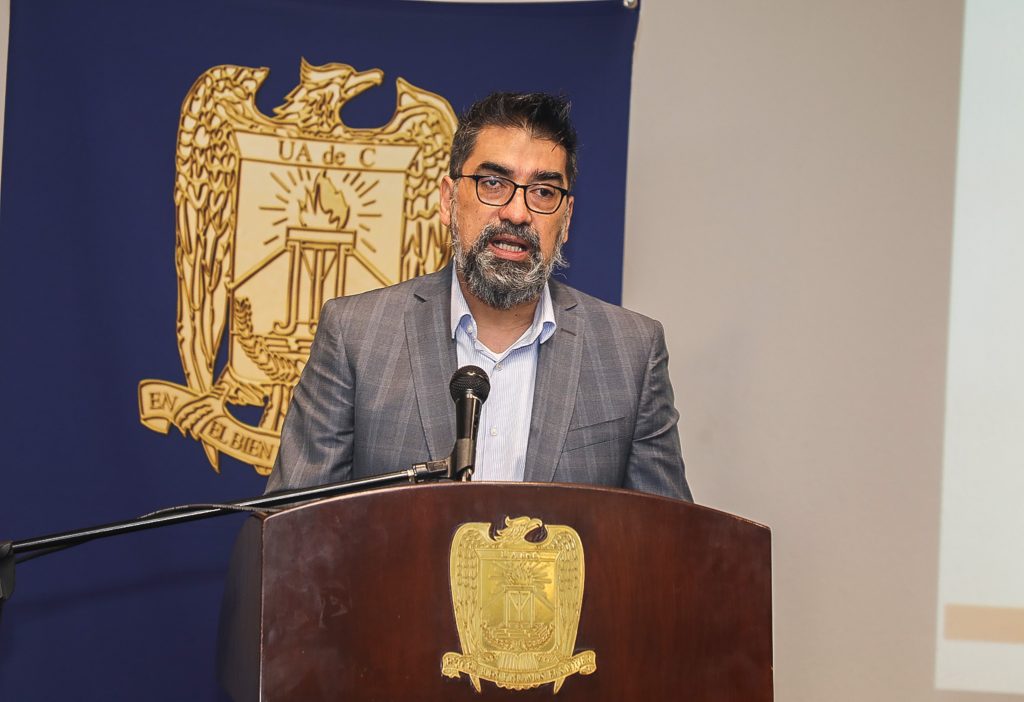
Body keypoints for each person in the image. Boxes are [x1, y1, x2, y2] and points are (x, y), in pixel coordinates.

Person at [267, 92, 691, 501]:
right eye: (493, 183)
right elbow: (289, 526)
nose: (517, 213)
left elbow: (666, 536)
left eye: (543, 192)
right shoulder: (355, 336)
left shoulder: (631, 352)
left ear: (565, 220)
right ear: (448, 201)